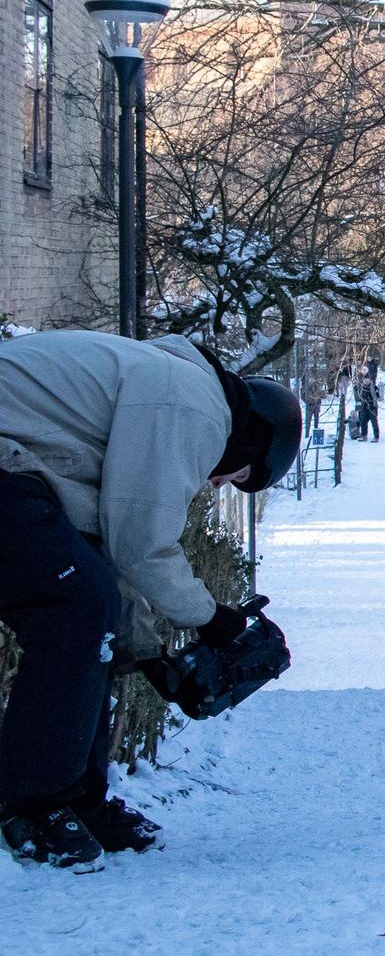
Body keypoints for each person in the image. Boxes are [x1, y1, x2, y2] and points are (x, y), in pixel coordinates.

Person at [0, 330, 300, 870]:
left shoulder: (172, 386)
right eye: (238, 476)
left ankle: (77, 801)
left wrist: (148, 653)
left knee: (92, 613)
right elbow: (141, 543)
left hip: (15, 467)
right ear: (248, 441)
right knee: (74, 608)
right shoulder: (192, 405)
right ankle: (31, 808)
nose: (218, 485)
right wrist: (214, 622)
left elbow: (113, 550)